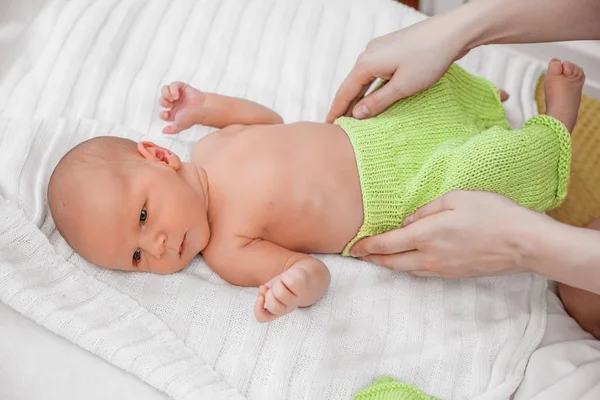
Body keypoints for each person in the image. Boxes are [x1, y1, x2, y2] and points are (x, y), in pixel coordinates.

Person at [47, 56, 582, 324]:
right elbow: (310, 272)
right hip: (397, 196)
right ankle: (555, 120)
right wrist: (295, 286)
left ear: (161, 157)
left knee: (412, 85)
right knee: (490, 173)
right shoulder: (229, 251)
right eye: (137, 257)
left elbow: (269, 120)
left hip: (373, 133)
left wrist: (204, 106)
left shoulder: (211, 148)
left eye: (144, 218)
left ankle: (477, 105)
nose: (159, 245)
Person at [326, 0, 600, 337]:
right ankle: (499, 114)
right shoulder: (238, 241)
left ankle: (547, 125)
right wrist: (459, 29)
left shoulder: (238, 128)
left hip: (380, 152)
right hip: (397, 194)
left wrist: (526, 243)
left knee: (583, 295)